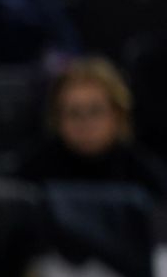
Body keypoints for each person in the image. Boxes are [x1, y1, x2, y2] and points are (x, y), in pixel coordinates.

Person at [16, 58, 167, 197]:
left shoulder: (146, 177)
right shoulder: (32, 174)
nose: (85, 123)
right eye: (74, 113)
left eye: (95, 111)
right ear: (57, 118)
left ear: (117, 114)